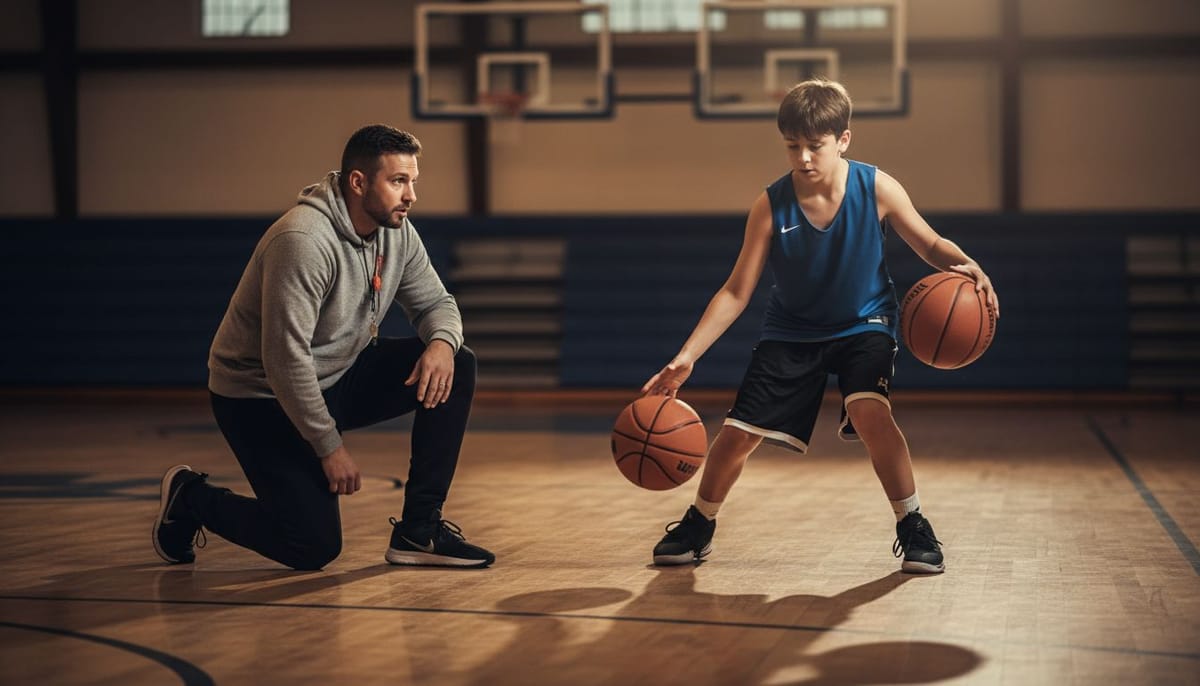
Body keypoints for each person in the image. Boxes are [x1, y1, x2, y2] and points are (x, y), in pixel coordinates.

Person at [643, 79, 999, 573]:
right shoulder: (770, 205)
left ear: (843, 140)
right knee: (738, 434)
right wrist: (687, 356)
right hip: (792, 331)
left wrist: (968, 264)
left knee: (871, 413)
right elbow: (736, 291)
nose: (804, 157)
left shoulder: (876, 186)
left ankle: (913, 524)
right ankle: (699, 522)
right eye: (793, 146)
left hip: (865, 325)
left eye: (816, 146)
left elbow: (931, 243)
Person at [152, 124, 494, 570]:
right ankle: (190, 498)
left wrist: (443, 343)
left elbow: (435, 301)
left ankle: (419, 531)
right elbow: (285, 362)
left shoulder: (397, 231)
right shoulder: (302, 242)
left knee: (458, 364)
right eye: (398, 181)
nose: (411, 195)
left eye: (413, 181)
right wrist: (328, 446)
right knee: (312, 547)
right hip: (260, 397)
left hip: (338, 372)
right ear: (358, 182)